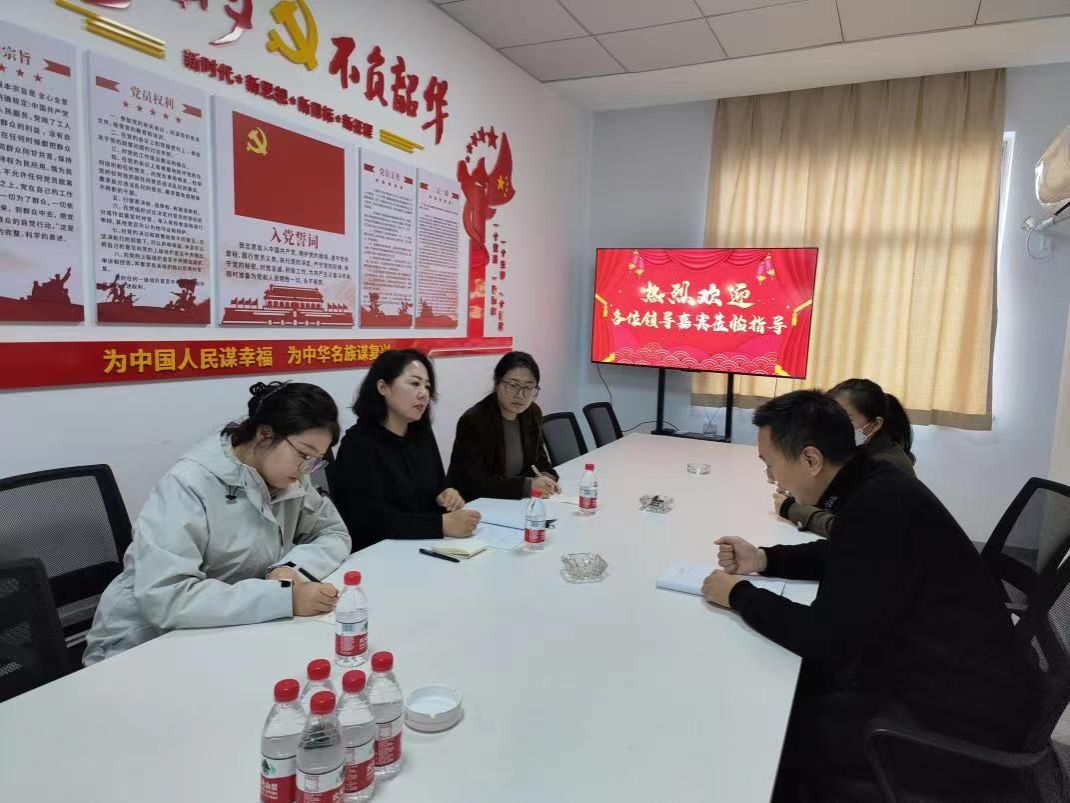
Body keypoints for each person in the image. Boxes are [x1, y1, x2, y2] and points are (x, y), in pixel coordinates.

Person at [701, 391, 1037, 797]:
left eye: (770, 465)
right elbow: (844, 553)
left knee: (779, 728)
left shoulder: (876, 504)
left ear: (811, 460)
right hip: (959, 679)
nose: (773, 479)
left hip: (955, 718)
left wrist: (739, 595)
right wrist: (765, 559)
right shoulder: (872, 482)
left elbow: (825, 640)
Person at [83, 381, 351, 665]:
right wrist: (285, 599)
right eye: (303, 454)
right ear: (265, 433)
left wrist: (290, 569)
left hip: (231, 629)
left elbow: (332, 532)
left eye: (315, 461)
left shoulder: (291, 479)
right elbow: (167, 598)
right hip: (144, 642)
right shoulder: (188, 485)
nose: (306, 470)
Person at [329, 349, 481, 552]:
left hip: (427, 546)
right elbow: (368, 521)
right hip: (379, 554)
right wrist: (441, 525)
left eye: (427, 386)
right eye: (415, 383)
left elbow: (438, 488)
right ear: (383, 387)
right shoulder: (358, 445)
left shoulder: (422, 434)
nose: (423, 393)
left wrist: (447, 495)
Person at [776, 378, 915, 537]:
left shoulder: (885, 467)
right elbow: (839, 501)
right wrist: (804, 491)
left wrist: (792, 509)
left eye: (846, 418)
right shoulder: (857, 452)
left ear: (875, 424)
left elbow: (854, 530)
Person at [447, 351, 559, 501]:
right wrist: (527, 486)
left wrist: (546, 478)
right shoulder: (475, 420)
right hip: (474, 504)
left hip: (512, 501)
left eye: (528, 387)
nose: (520, 395)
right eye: (513, 385)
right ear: (497, 382)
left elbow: (539, 460)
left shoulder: (532, 413)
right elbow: (474, 482)